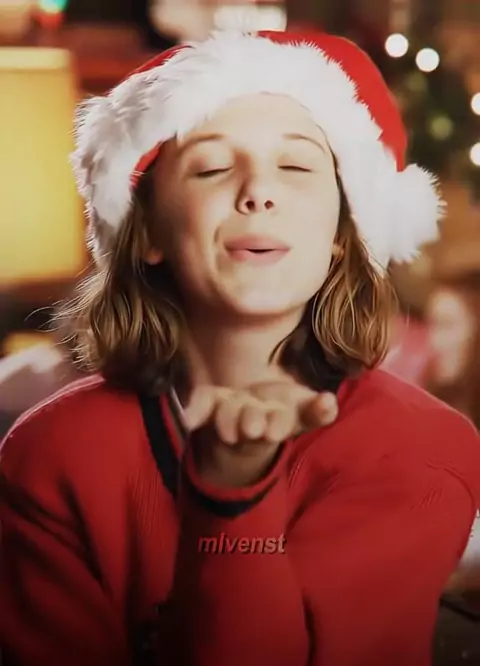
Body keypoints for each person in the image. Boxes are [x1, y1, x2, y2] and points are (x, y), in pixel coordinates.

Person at [0, 29, 479, 666]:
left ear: (344, 233)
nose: (258, 191)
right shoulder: (51, 451)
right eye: (212, 167)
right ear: (149, 232)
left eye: (297, 166)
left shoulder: (423, 450)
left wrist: (233, 502)